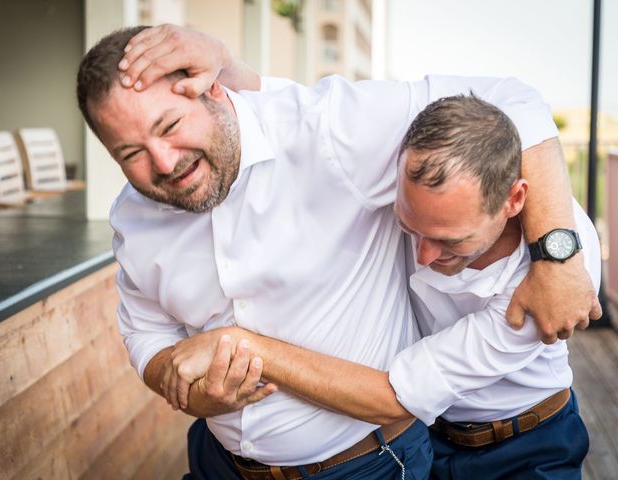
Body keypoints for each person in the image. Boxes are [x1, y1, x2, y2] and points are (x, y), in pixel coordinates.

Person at [76, 24, 599, 480]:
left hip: (462, 451)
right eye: (131, 153)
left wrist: (559, 258)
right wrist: (182, 386)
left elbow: (514, 103)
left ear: (210, 90)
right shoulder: (131, 216)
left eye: (169, 126)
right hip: (225, 461)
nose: (163, 161)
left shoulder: (544, 283)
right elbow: (147, 332)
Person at [173, 95, 599, 479]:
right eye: (410, 228)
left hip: (526, 446)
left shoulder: (554, 279)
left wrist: (247, 346)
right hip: (425, 438)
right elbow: (284, 110)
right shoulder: (405, 190)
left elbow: (394, 395)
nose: (424, 256)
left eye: (451, 240)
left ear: (514, 199)